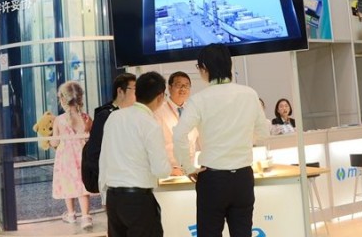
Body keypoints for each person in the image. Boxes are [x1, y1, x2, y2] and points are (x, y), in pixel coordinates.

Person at [172, 43, 270, 237]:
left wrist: (188, 167)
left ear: (204, 68)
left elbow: (179, 134)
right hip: (243, 177)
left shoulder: (199, 99)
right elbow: (263, 132)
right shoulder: (249, 94)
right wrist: (242, 139)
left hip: (213, 179)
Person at [99, 72, 171, 237]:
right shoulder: (150, 124)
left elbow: (103, 160)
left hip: (113, 198)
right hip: (138, 200)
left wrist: (104, 196)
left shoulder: (114, 117)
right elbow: (161, 170)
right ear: (160, 96)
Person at [81, 73, 136, 193]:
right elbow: (94, 152)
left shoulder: (129, 114)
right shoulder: (105, 116)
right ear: (120, 91)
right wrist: (109, 179)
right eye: (134, 89)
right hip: (114, 184)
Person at [51, 81, 94, 229]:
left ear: (62, 99)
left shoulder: (59, 120)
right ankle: (86, 217)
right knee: (82, 185)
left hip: (66, 159)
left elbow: (55, 142)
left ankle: (71, 214)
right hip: (83, 156)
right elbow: (91, 138)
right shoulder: (86, 118)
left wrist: (50, 141)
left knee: (67, 184)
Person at [154, 71, 198, 176]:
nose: (183, 89)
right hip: (169, 170)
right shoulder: (158, 111)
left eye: (186, 86)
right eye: (179, 85)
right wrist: (169, 170)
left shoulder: (192, 110)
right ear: (169, 88)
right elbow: (155, 144)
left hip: (190, 169)